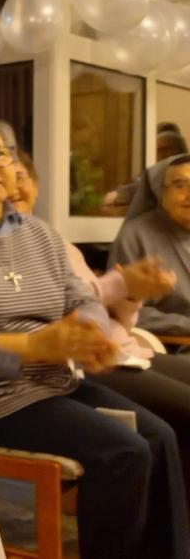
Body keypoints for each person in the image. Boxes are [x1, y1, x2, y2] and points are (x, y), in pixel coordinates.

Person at [0, 116, 188, 559]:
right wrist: (32, 347)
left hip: (50, 384)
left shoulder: (38, 233)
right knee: (123, 452)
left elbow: (81, 298)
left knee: (160, 437)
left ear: (14, 165)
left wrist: (90, 334)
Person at [10, 147, 190, 494]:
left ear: (35, 185)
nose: (15, 189)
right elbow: (52, 313)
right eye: (6, 180)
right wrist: (120, 285)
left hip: (127, 350)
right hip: (88, 362)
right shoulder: (4, 250)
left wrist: (130, 297)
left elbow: (112, 314)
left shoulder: (55, 241)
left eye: (22, 178)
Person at [111, 154, 190, 339]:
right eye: (181, 185)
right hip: (171, 346)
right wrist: (184, 325)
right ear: (160, 191)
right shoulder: (136, 235)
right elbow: (124, 308)